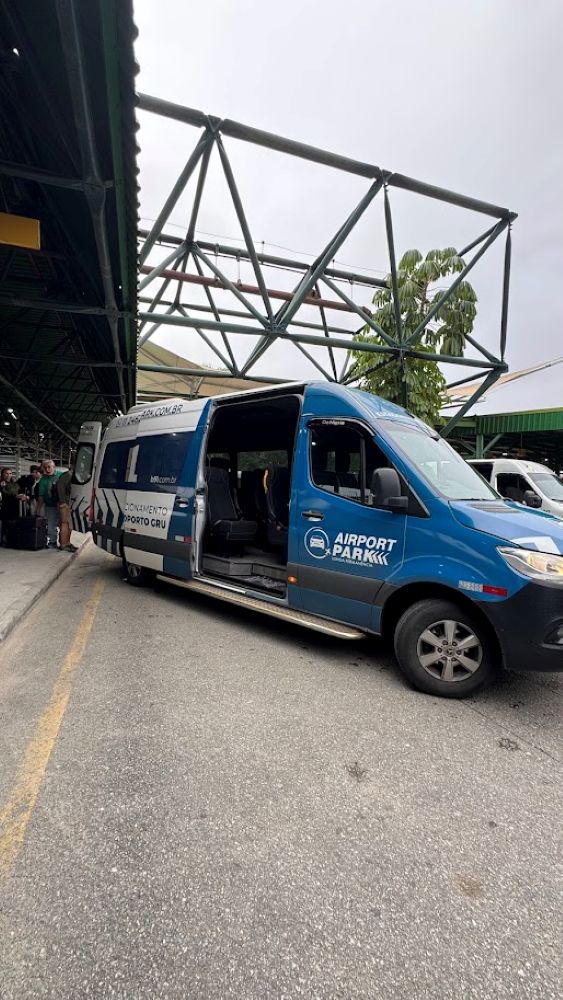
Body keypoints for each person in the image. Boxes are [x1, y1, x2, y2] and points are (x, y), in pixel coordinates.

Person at [36, 459, 60, 548]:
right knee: (51, 525)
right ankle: (53, 542)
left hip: (62, 505)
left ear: (54, 467)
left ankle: (64, 542)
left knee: (63, 525)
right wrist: (38, 509)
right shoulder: (43, 480)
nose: (47, 469)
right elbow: (41, 496)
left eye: (49, 467)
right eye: (45, 467)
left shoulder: (61, 476)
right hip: (50, 505)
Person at [0, 468, 26, 545]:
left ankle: (12, 540)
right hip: (4, 508)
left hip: (16, 508)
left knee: (14, 525)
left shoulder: (15, 484)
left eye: (10, 473)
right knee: (5, 524)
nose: (8, 475)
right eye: (6, 473)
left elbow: (19, 491)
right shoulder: (1, 484)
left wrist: (23, 496)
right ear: (2, 474)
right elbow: (5, 496)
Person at [56, 462, 78, 553]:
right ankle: (64, 544)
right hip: (64, 503)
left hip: (68, 503)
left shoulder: (71, 476)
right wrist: (63, 502)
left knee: (69, 525)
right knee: (65, 524)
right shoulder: (66, 475)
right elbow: (60, 488)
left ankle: (67, 543)